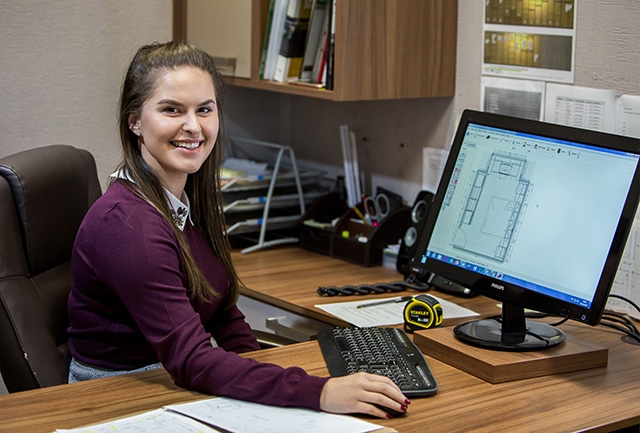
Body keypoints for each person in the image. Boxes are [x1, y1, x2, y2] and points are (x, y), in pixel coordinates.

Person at [67, 41, 409, 419]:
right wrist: (320, 392)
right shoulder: (130, 226)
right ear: (135, 121)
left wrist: (277, 390)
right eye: (171, 110)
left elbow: (222, 314)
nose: (193, 126)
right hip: (116, 397)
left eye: (204, 110)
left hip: (167, 376)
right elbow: (193, 359)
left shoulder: (184, 198)